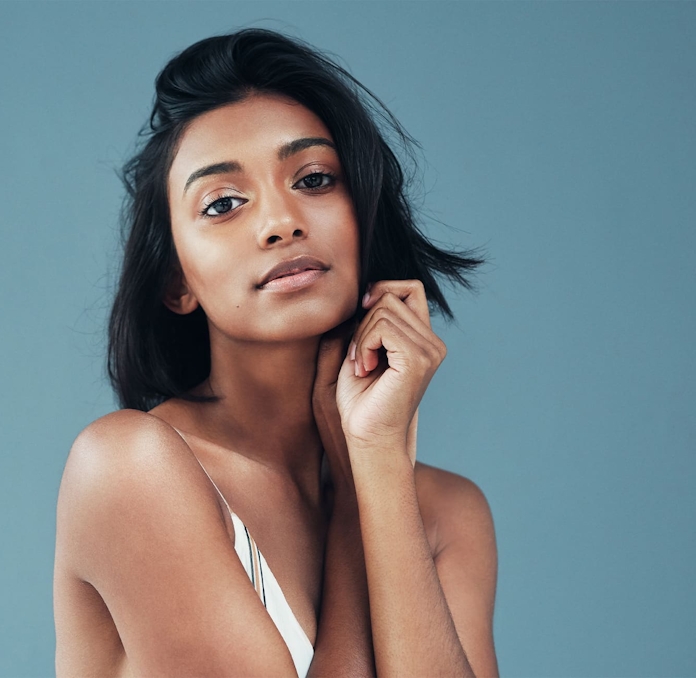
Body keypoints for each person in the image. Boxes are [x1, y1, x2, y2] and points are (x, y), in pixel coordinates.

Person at [54, 27, 499, 677]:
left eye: (315, 179)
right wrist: (356, 496)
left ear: (362, 217)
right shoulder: (129, 467)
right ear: (176, 282)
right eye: (224, 203)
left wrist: (377, 466)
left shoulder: (447, 513)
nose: (282, 222)